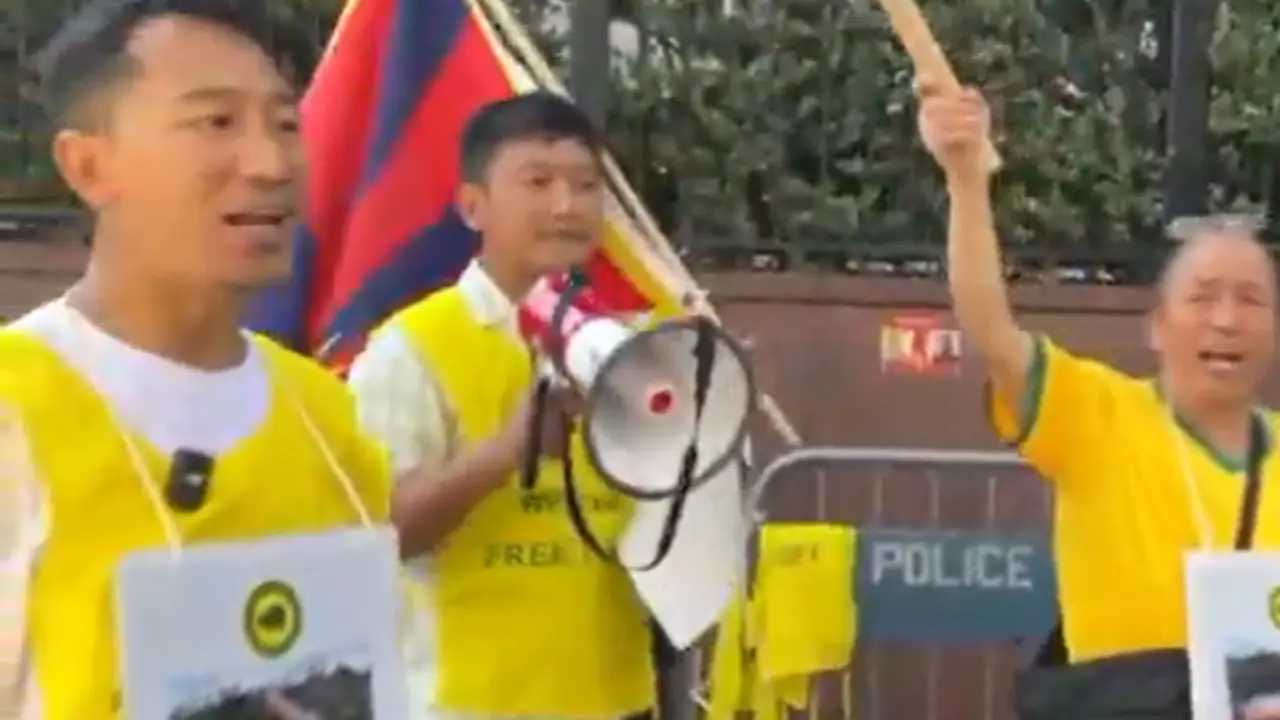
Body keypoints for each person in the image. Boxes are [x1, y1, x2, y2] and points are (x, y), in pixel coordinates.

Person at [0, 1, 396, 717]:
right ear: (88, 165)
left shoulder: (326, 416)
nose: (271, 164)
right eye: (216, 122)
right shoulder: (15, 413)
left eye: (285, 124)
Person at [917, 76, 1280, 719]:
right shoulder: (1097, 416)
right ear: (1158, 327)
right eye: (1202, 298)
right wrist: (966, 183)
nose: (1225, 320)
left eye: (1250, 300)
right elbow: (991, 332)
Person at [347, 93, 655, 720]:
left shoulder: (637, 343)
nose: (566, 206)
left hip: (617, 699)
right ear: (472, 205)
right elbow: (373, 537)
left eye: (586, 185)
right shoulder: (411, 348)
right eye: (537, 182)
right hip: (465, 704)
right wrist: (504, 454)